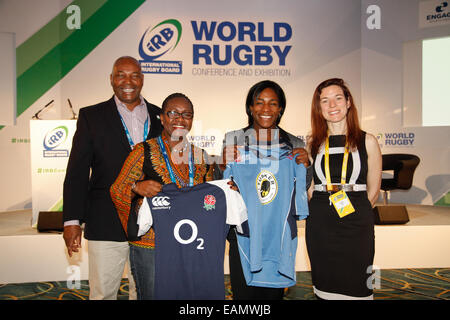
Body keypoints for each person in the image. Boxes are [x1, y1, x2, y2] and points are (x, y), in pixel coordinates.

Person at [62, 56, 162, 300]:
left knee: (147, 293)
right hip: (105, 220)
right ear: (111, 79)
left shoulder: (161, 117)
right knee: (103, 293)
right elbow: (77, 171)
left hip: (152, 223)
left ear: (142, 79)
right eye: (121, 75)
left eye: (134, 75)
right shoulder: (91, 116)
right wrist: (71, 220)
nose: (127, 81)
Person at [110, 93, 215, 299]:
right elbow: (116, 190)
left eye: (187, 114)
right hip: (152, 246)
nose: (180, 119)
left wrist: (221, 196)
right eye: (173, 113)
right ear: (162, 117)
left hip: (191, 243)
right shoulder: (142, 151)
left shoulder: (202, 157)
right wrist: (135, 187)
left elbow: (209, 203)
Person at [219, 80, 311, 300]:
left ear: (280, 109)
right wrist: (221, 165)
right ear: (250, 107)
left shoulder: (294, 143)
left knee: (271, 296)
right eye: (259, 103)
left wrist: (306, 168)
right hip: (244, 231)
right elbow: (222, 185)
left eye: (273, 103)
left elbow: (303, 186)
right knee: (243, 296)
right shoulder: (234, 139)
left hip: (276, 230)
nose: (265, 109)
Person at [305, 78, 382, 300]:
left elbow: (374, 190)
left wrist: (359, 213)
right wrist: (321, 206)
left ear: (348, 102)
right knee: (324, 282)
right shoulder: (312, 143)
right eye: (325, 101)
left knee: (359, 282)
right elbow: (310, 187)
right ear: (318, 108)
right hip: (321, 220)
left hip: (356, 219)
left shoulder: (367, 141)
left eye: (338, 98)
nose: (332, 106)